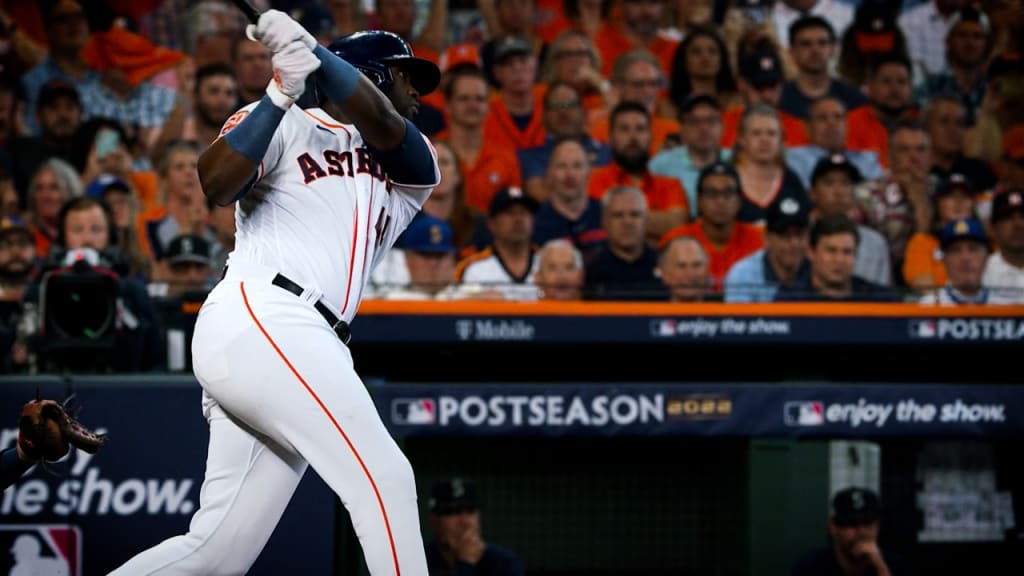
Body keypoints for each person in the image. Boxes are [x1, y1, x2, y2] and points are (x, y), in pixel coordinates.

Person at [110, 12, 442, 575]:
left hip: (305, 344)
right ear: (377, 75)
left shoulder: (414, 159)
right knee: (386, 476)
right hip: (265, 314)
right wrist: (279, 92)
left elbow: (383, 123)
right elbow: (216, 183)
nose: (417, 91)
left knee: (215, 556)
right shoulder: (285, 122)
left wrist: (312, 49)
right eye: (405, 75)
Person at [792, 487, 910, 576]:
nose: (861, 531)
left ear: (878, 526)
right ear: (833, 527)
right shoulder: (811, 568)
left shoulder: (897, 566)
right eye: (851, 524)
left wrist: (881, 568)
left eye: (868, 523)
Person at [425, 477, 524, 576]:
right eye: (453, 511)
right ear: (433, 520)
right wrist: (465, 564)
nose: (465, 522)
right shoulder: (418, 559)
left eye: (470, 511)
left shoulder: (503, 563)